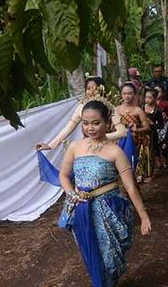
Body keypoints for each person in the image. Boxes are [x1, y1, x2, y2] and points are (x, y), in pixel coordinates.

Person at [58, 100, 151, 286]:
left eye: (96, 123)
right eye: (85, 123)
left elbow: (130, 187)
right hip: (81, 210)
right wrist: (71, 193)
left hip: (108, 209)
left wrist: (143, 215)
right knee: (90, 252)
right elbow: (64, 175)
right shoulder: (75, 147)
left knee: (109, 256)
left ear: (107, 123)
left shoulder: (116, 151)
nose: (90, 128)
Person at [36, 76, 126, 151]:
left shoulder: (110, 108)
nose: (91, 91)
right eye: (88, 88)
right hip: (88, 149)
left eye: (95, 88)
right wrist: (50, 145)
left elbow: (122, 132)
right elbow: (68, 129)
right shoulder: (81, 108)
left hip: (108, 148)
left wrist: (100, 138)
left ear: (102, 89)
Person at [115, 82, 151, 183]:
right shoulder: (117, 110)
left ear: (134, 95)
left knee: (134, 162)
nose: (127, 96)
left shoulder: (138, 110)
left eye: (130, 93)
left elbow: (147, 127)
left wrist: (137, 129)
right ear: (121, 95)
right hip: (120, 141)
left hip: (136, 141)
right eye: (124, 93)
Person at [143, 89, 164, 182]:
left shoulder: (157, 111)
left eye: (150, 97)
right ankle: (141, 173)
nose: (147, 99)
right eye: (146, 97)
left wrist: (152, 124)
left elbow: (161, 125)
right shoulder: (142, 108)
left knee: (151, 153)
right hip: (142, 133)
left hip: (152, 135)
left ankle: (150, 174)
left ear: (155, 98)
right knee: (142, 153)